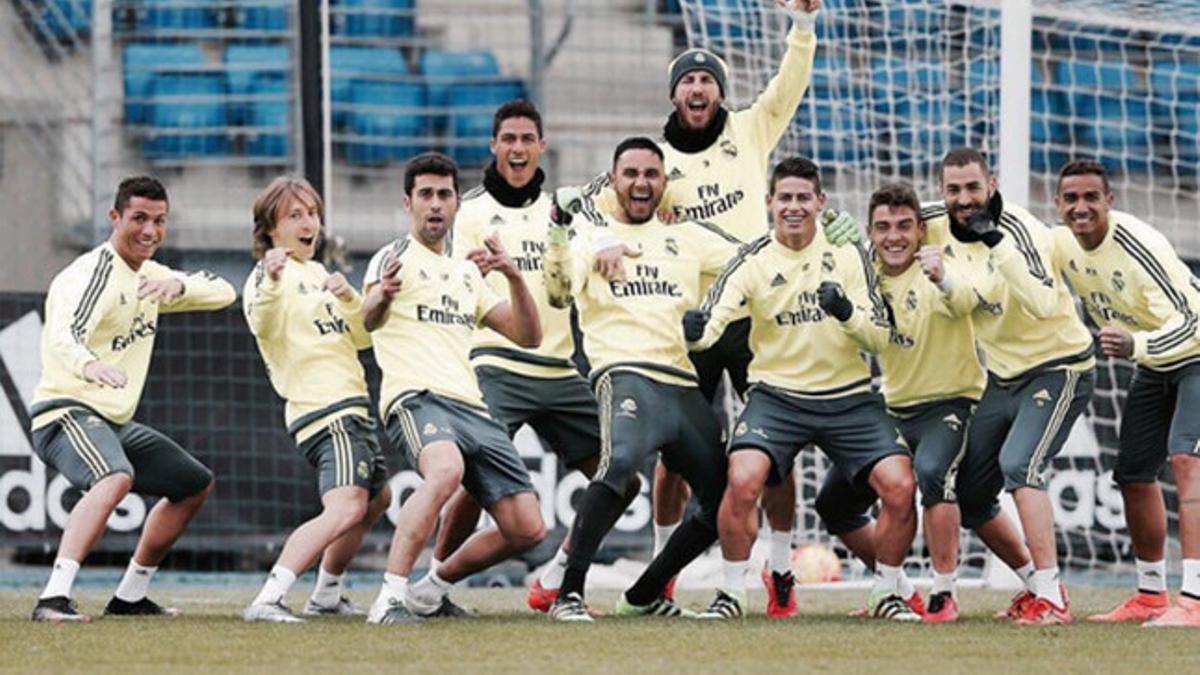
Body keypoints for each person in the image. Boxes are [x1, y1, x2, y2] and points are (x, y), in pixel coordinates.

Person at [582, 0, 829, 615]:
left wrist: (801, 25)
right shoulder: (655, 165)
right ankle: (664, 570)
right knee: (674, 456)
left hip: (755, 317)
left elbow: (789, 84)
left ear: (719, 91)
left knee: (770, 451)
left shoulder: (749, 129)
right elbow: (590, 204)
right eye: (688, 80)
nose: (699, 87)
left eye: (708, 79)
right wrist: (601, 237)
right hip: (687, 326)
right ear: (675, 96)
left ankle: (780, 571)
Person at [684, 158, 918, 621]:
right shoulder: (751, 259)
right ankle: (732, 593)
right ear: (769, 203)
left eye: (803, 198)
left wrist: (846, 311)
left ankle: (887, 592)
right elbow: (712, 321)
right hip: (777, 397)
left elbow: (878, 336)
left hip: (848, 396)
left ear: (820, 203)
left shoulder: (849, 254)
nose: (794, 207)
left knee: (900, 485)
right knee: (743, 477)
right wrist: (695, 333)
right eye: (785, 198)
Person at [432, 100, 639, 613]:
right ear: (493, 146)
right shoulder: (471, 211)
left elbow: (602, 238)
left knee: (622, 478)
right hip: (494, 366)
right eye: (509, 139)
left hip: (558, 370)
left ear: (542, 146)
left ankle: (558, 573)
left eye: (527, 139)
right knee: (470, 478)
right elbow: (446, 287)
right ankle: (433, 587)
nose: (518, 148)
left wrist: (611, 244)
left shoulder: (561, 212)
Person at [812, 182, 1033, 622]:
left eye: (904, 226)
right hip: (892, 407)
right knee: (833, 503)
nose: (893, 236)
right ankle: (896, 590)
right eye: (883, 228)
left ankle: (949, 594)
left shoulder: (939, 266)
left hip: (952, 403)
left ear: (920, 232)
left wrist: (943, 278)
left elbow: (964, 300)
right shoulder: (864, 273)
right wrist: (830, 244)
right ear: (871, 233)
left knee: (936, 476)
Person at [541, 137, 739, 622]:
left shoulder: (689, 237)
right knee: (620, 465)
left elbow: (752, 259)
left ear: (664, 183)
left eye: (651, 174)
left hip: (680, 381)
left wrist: (818, 240)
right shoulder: (593, 235)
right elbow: (558, 292)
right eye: (630, 173)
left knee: (724, 500)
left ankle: (644, 593)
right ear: (614, 181)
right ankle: (569, 593)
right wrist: (563, 229)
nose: (641, 183)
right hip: (625, 375)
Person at [28, 176, 235, 622]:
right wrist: (89, 366)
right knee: (115, 477)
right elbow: (64, 335)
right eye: (139, 218)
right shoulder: (91, 273)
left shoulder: (151, 275)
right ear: (114, 217)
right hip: (65, 411)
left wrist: (179, 287)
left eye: (159, 221)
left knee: (194, 484)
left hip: (111, 420)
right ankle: (53, 598)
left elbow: (224, 290)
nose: (150, 231)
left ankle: (129, 596)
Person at [361, 153, 546, 624]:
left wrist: (514, 275)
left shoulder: (467, 273)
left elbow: (528, 336)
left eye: (444, 194)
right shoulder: (393, 258)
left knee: (528, 527)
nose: (436, 204)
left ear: (456, 204)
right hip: (416, 397)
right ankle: (389, 599)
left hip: (472, 408)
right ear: (408, 203)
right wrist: (381, 294)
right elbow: (366, 320)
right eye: (426, 194)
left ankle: (431, 588)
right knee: (444, 470)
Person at [922, 148, 1095, 625]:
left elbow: (1042, 303)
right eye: (953, 190)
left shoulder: (1022, 231)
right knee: (972, 493)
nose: (964, 199)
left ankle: (1054, 599)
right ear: (942, 191)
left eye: (973, 188)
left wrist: (995, 241)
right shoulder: (933, 220)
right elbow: (890, 226)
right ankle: (1033, 586)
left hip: (1059, 367)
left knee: (1020, 465)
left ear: (992, 184)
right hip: (1003, 376)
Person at [1051, 160, 1200, 627]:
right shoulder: (1062, 245)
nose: (1081, 207)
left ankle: (1194, 600)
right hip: (1155, 365)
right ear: (1058, 205)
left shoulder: (1139, 243)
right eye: (1071, 198)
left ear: (1109, 202)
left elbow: (1195, 321)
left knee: (1186, 461)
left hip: (1194, 355)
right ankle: (1151, 594)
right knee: (1133, 474)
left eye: (1091, 197)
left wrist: (1137, 344)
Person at [240, 176, 392, 623]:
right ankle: (269, 598)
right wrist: (269, 278)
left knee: (376, 501)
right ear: (270, 228)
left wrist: (349, 297)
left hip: (353, 406)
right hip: (326, 411)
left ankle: (327, 593)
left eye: (313, 213)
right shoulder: (268, 277)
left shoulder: (319, 274)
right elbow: (263, 325)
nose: (311, 223)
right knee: (346, 506)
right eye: (296, 215)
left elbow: (363, 336)